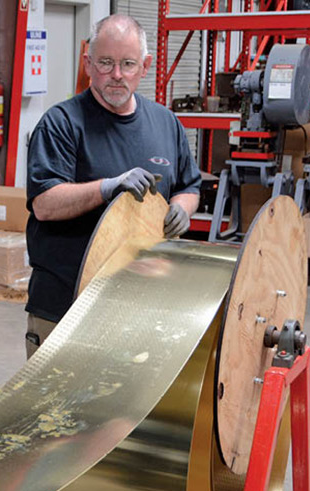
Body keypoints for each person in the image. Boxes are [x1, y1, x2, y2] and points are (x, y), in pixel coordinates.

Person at [24, 14, 201, 358]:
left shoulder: (166, 123)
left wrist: (181, 207)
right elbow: (44, 204)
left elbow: (189, 186)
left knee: (125, 411)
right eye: (105, 63)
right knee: (56, 411)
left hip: (139, 307)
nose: (117, 75)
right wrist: (107, 188)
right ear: (88, 63)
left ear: (145, 66)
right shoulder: (61, 124)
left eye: (128, 64)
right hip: (65, 308)